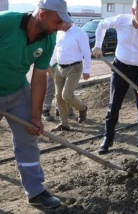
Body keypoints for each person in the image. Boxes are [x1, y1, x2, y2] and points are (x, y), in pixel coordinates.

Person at [0, 0, 71, 208]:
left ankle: (36, 191)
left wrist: (35, 116)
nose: (59, 27)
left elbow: (39, 78)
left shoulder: (48, 41)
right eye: (57, 21)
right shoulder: (6, 23)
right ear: (42, 15)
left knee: (28, 140)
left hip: (18, 92)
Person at [92, 0, 138, 156]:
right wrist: (98, 45)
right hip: (120, 68)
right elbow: (102, 25)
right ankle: (107, 139)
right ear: (133, 11)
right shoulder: (121, 20)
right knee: (113, 105)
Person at [49, 14, 91, 132]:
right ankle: (64, 124)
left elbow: (87, 53)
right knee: (59, 97)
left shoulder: (79, 33)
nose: (58, 26)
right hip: (60, 68)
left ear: (68, 21)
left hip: (74, 68)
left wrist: (87, 70)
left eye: (60, 22)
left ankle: (82, 108)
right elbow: (57, 50)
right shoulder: (59, 33)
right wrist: (50, 63)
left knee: (66, 95)